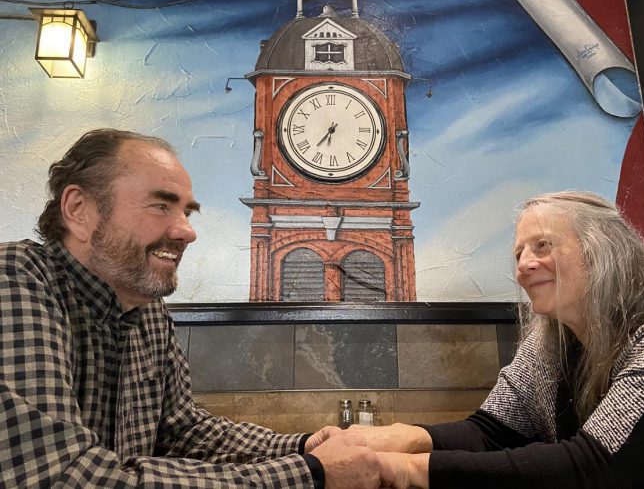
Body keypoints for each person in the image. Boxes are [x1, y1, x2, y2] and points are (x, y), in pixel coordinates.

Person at [0, 128, 381, 488]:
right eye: (161, 206)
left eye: (187, 212)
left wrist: (302, 446)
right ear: (79, 209)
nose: (187, 231)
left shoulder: (148, 311)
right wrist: (309, 474)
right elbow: (58, 476)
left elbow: (184, 432)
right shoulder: (15, 278)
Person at [356, 191, 644, 488]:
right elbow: (490, 431)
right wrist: (395, 438)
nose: (524, 265)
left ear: (603, 250)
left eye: (542, 246)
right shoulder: (548, 340)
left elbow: (593, 467)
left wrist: (403, 467)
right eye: (519, 253)